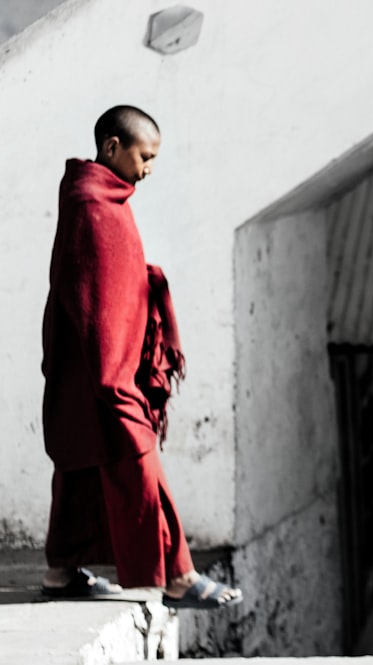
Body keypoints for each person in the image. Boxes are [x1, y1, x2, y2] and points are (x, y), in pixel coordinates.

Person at [40, 105, 242, 610]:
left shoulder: (100, 196)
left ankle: (62, 572)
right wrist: (116, 382)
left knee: (79, 468)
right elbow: (94, 305)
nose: (148, 168)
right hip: (103, 370)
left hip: (84, 370)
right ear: (112, 148)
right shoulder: (92, 205)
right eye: (144, 156)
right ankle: (178, 577)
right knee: (138, 462)